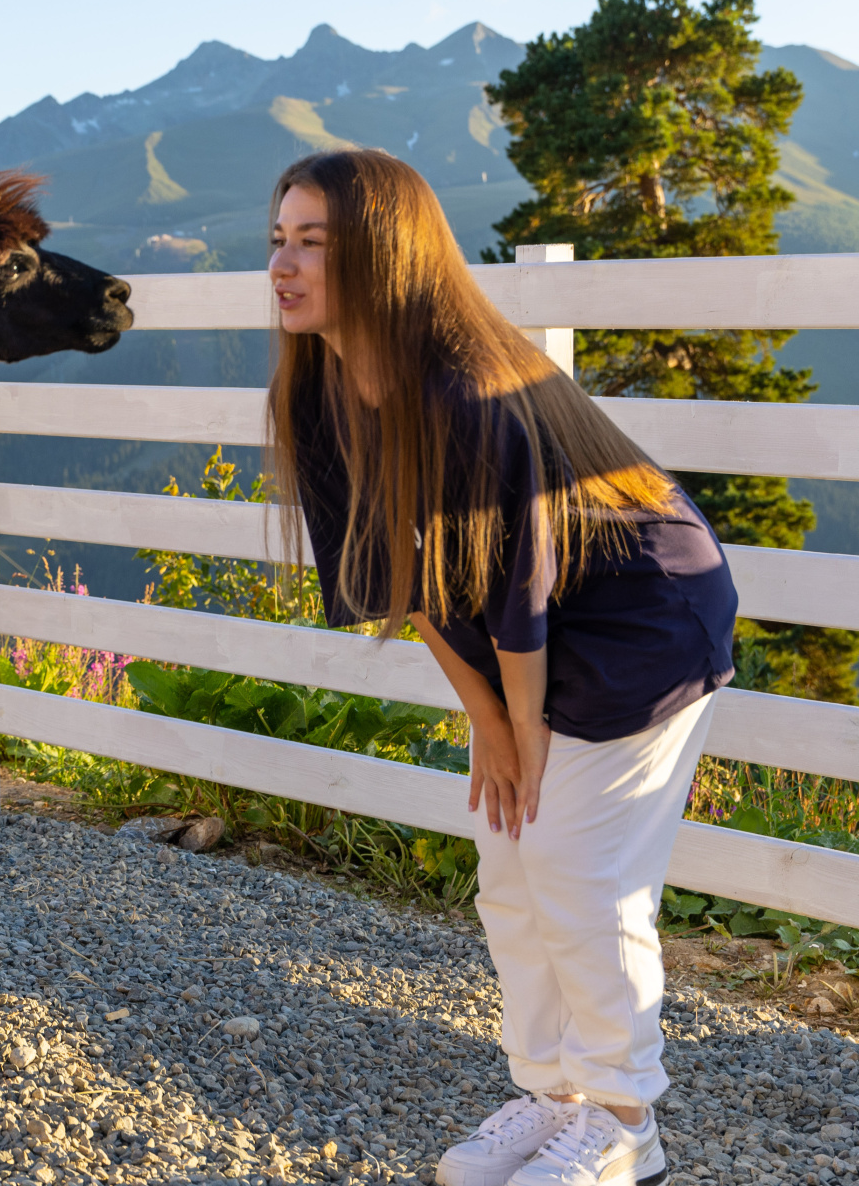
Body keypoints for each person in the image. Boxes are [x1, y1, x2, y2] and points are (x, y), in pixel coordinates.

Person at [265, 149, 737, 1186]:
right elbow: (400, 577)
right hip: (531, 633)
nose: (284, 266)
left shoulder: (468, 387)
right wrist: (486, 714)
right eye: (279, 240)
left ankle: (626, 1124)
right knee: (508, 869)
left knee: (575, 866)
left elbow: (521, 575)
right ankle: (555, 1093)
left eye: (315, 243)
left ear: (385, 257)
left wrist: (523, 726)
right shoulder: (322, 393)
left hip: (642, 615)